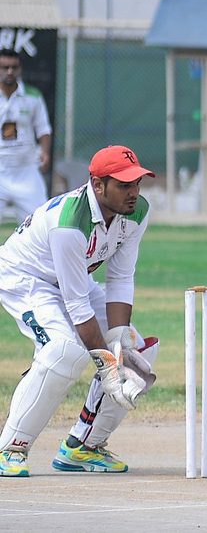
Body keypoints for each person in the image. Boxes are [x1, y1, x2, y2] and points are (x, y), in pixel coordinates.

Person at [0, 145, 159, 477]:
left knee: (136, 352)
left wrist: (119, 343)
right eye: (123, 185)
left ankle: (83, 446)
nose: (133, 192)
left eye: (137, 183)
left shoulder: (137, 212)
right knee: (64, 352)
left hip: (74, 278)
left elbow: (120, 278)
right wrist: (107, 366)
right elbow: (76, 305)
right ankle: (11, 448)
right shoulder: (70, 221)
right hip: (28, 278)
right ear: (98, 185)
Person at [0, 49, 52, 224]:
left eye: (14, 67)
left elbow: (43, 127)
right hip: (0, 168)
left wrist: (45, 152)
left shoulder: (33, 96)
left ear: (20, 69)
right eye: (5, 67)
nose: (9, 72)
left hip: (26, 169)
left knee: (41, 223)